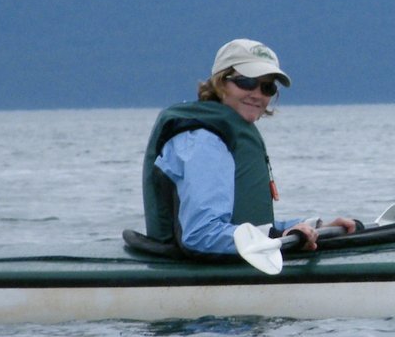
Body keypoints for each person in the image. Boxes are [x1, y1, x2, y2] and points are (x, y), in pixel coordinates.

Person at [141, 38, 359, 256]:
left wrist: (314, 227)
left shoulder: (222, 133)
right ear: (220, 82)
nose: (257, 94)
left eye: (267, 87)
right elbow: (201, 235)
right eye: (246, 82)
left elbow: (245, 224)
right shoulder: (203, 141)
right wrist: (275, 237)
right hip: (202, 274)